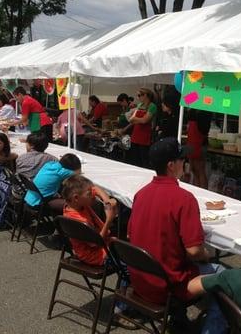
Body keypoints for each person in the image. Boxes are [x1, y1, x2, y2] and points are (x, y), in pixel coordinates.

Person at [128, 137, 226, 333]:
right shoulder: (184, 199)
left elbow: (131, 235)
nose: (186, 163)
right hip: (169, 286)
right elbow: (194, 250)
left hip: (140, 279)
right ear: (171, 165)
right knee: (226, 276)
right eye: (182, 159)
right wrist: (205, 254)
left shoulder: (141, 194)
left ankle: (179, 320)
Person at [62, 175, 118, 265]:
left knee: (123, 247)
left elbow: (95, 188)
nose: (93, 195)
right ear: (76, 198)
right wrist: (109, 220)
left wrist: (107, 201)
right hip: (93, 256)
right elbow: (96, 243)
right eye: (89, 194)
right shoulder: (78, 222)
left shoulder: (74, 204)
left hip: (100, 244)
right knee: (131, 263)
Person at [127, 88, 157, 168]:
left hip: (144, 136)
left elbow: (144, 120)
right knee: (135, 160)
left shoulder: (152, 106)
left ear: (146, 95)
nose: (138, 97)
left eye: (139, 95)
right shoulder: (140, 105)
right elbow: (131, 120)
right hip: (135, 135)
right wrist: (136, 119)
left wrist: (135, 119)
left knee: (144, 160)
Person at [186, 109, 211, 188]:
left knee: (200, 170)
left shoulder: (205, 108)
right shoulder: (195, 99)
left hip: (200, 141)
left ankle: (202, 191)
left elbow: (205, 128)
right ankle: (196, 190)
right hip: (192, 140)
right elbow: (186, 100)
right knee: (194, 169)